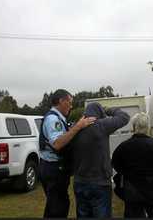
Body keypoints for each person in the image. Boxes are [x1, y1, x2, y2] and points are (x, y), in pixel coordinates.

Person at [39, 89, 96, 218]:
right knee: (58, 208)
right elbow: (57, 143)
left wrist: (75, 126)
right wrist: (78, 127)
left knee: (55, 205)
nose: (71, 106)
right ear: (61, 101)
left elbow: (62, 136)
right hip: (54, 169)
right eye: (69, 103)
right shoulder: (53, 119)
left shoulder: (57, 118)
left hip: (53, 168)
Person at [112, 112, 153, 218]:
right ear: (148, 127)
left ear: (133, 127)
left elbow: (115, 165)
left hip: (133, 193)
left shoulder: (123, 147)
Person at [72, 102, 130, 218]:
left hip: (80, 182)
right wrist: (107, 110)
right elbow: (124, 117)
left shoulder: (75, 128)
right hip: (99, 183)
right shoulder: (101, 125)